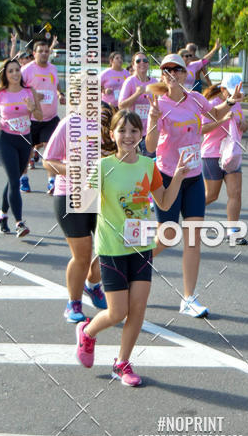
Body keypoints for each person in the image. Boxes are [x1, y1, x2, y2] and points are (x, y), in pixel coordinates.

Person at [75, 109, 190, 386]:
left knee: (137, 309)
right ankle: (87, 332)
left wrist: (178, 177)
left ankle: (122, 363)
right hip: (112, 248)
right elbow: (84, 203)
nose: (128, 136)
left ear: (141, 134)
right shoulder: (103, 166)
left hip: (141, 246)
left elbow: (164, 202)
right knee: (117, 312)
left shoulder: (148, 166)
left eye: (134, 131)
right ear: (112, 134)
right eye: (122, 130)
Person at [145, 54, 242, 318]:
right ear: (163, 75)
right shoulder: (159, 104)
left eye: (177, 69)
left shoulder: (195, 99)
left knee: (193, 238)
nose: (172, 74)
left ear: (185, 73)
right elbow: (150, 146)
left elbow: (214, 113)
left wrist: (230, 102)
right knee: (167, 235)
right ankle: (132, 263)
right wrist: (153, 119)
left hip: (193, 176)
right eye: (167, 70)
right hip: (167, 176)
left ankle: (188, 298)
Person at [43, 104, 115, 323]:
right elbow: (48, 161)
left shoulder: (110, 122)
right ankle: (73, 303)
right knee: (82, 255)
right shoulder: (70, 124)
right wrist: (72, 169)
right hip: (71, 194)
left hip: (103, 195)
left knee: (111, 248)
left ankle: (92, 284)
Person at [0, 58, 43, 237]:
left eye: (17, 70)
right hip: (6, 141)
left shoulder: (30, 91)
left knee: (13, 180)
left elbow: (39, 116)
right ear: (5, 75)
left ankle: (2, 214)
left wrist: (32, 108)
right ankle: (19, 223)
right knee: (15, 181)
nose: (15, 74)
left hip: (25, 140)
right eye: (11, 71)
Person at [202, 74, 248, 245]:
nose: (236, 96)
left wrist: (244, 124)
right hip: (212, 154)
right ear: (222, 90)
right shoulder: (211, 104)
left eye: (239, 93)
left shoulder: (237, 103)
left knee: (235, 192)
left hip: (232, 154)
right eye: (231, 93)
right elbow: (202, 129)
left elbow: (244, 122)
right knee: (211, 195)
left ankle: (233, 231)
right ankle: (187, 209)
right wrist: (221, 120)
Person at [20, 40, 66, 194]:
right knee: (27, 150)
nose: (44, 54)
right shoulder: (26, 70)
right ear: (34, 53)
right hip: (31, 119)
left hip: (50, 118)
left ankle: (51, 181)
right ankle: (23, 178)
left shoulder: (53, 68)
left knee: (52, 148)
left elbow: (56, 84)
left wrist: (59, 94)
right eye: (41, 51)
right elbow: (18, 90)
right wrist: (33, 98)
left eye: (46, 51)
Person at [118, 52, 153, 154]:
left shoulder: (154, 82)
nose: (142, 63)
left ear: (148, 64)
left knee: (150, 160)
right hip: (134, 130)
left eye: (145, 61)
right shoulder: (130, 81)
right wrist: (137, 94)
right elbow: (121, 105)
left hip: (150, 130)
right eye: (138, 61)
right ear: (133, 65)